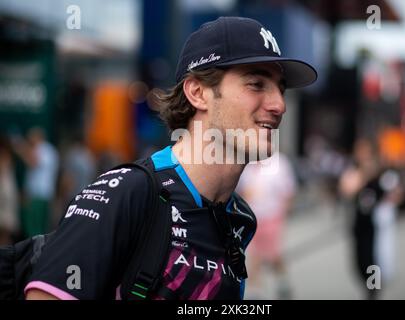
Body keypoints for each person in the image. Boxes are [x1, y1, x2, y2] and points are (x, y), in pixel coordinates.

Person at [25, 16, 317, 300]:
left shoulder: (239, 218)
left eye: (281, 88)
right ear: (198, 92)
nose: (279, 105)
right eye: (256, 84)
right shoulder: (126, 194)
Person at [339, 138, 405, 300]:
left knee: (373, 261)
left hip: (376, 227)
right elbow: (347, 190)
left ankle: (373, 291)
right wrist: (364, 174)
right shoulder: (355, 172)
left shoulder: (383, 175)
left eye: (366, 152)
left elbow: (399, 195)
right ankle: (369, 288)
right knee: (359, 263)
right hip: (358, 225)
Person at [236, 151, 297, 299]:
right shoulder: (247, 164)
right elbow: (241, 189)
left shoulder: (279, 163)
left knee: (274, 254)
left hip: (273, 215)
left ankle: (282, 281)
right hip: (251, 217)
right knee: (254, 254)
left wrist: (285, 212)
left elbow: (288, 190)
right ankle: (256, 291)